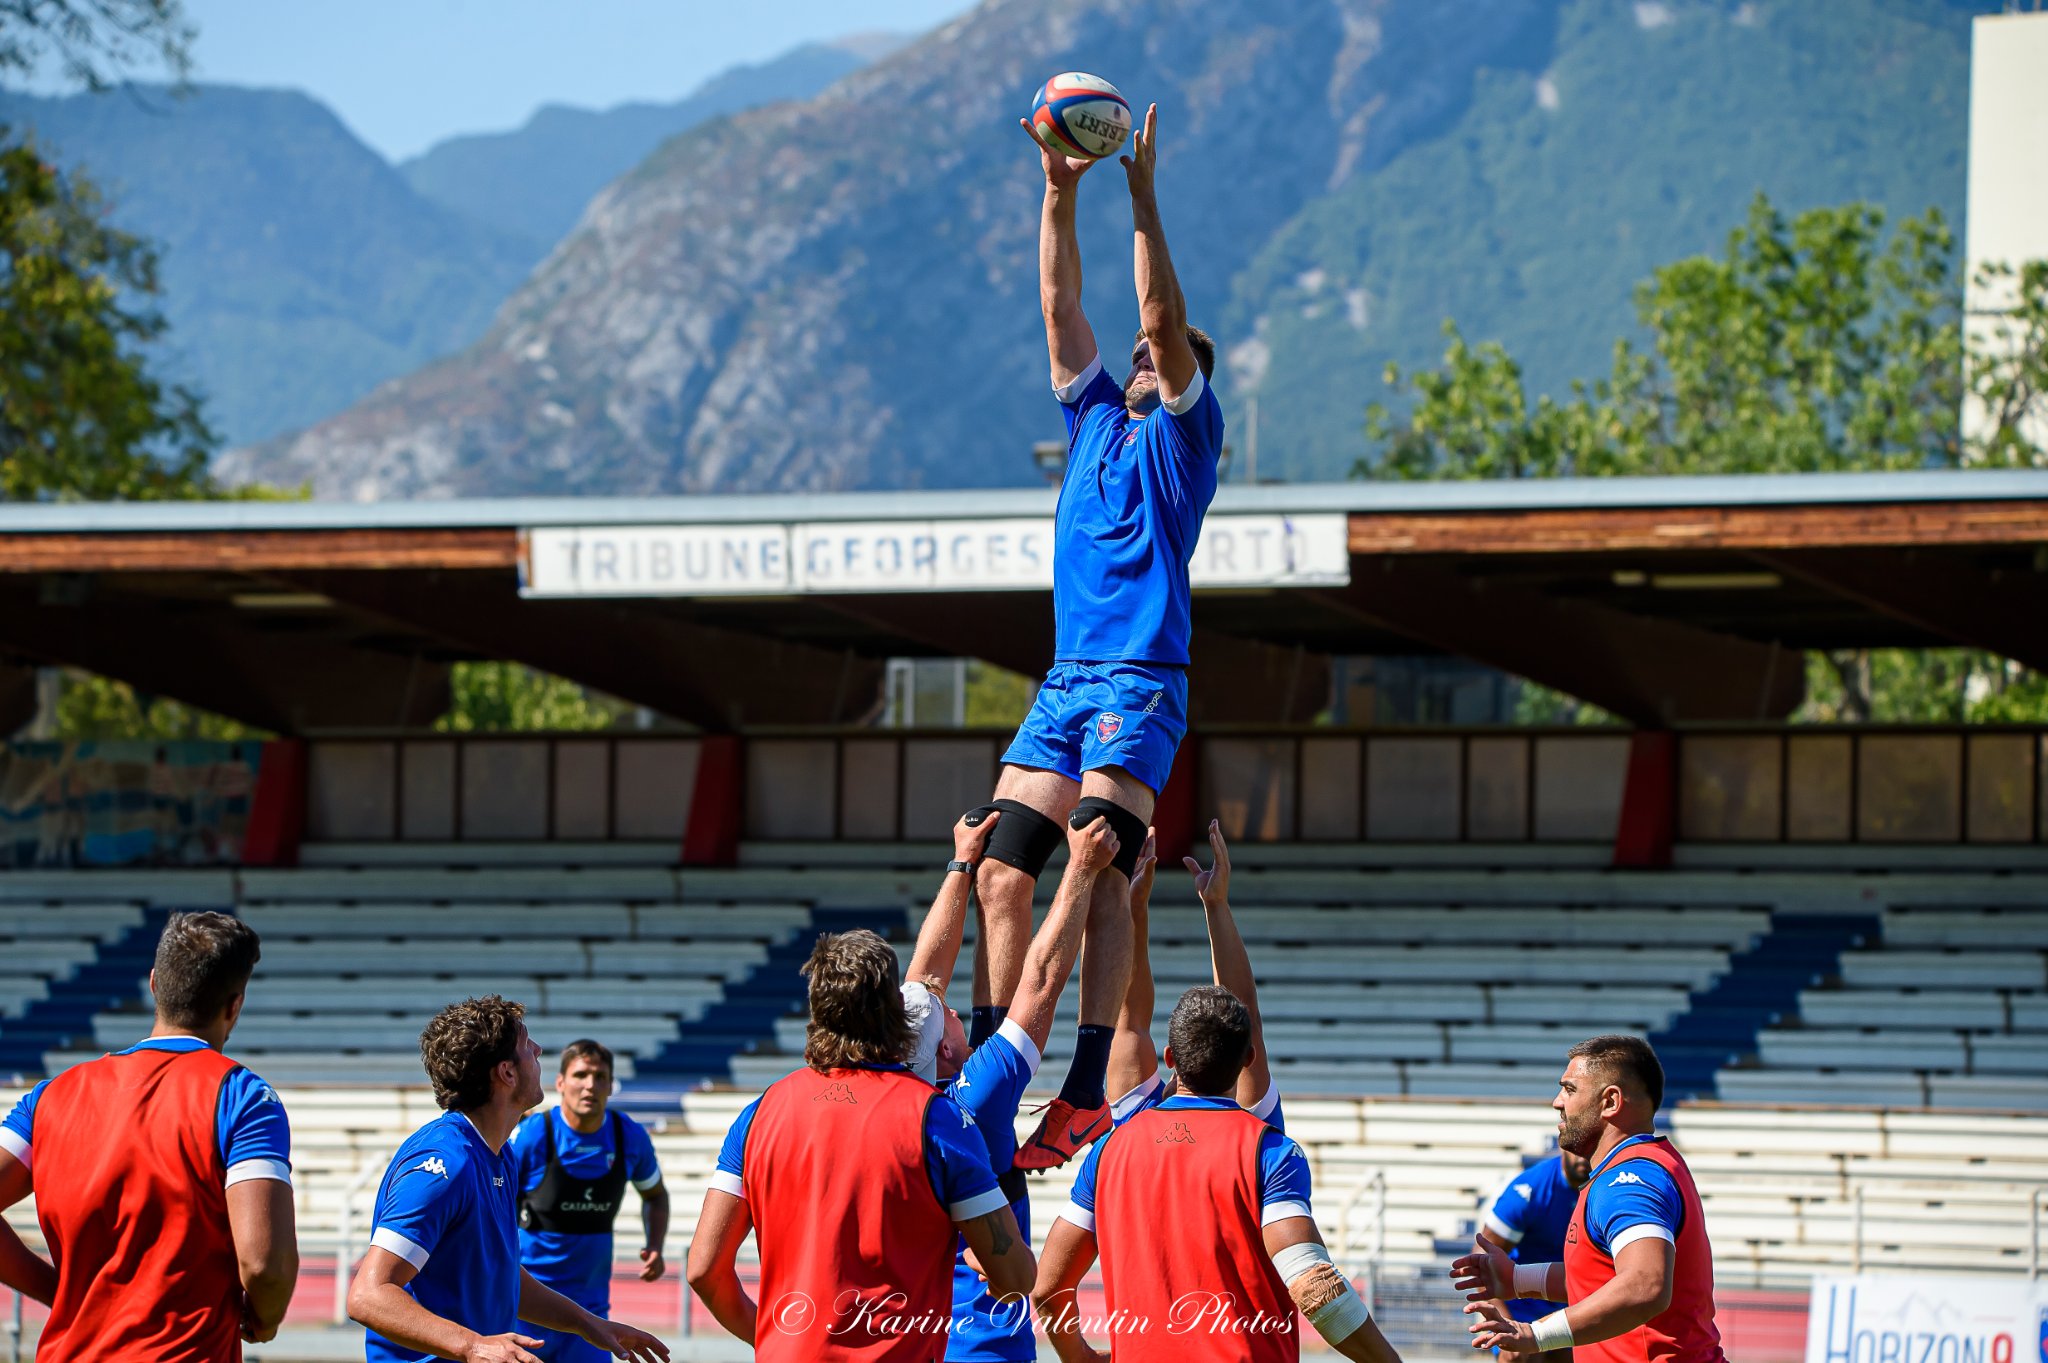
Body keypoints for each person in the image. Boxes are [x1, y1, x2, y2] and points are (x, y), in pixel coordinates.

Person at [967, 98, 1226, 1169]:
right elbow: (1055, 302)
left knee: (1103, 861)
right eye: (1133, 355)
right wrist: (1055, 191)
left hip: (1139, 678)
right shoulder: (1088, 420)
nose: (1137, 356)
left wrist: (1139, 192)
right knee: (994, 866)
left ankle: (1081, 1082)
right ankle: (985, 1060)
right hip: (1067, 677)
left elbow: (1160, 317)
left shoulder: (1182, 439)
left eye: (1154, 355)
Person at [685, 929, 1034, 1361]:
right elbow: (1015, 1276)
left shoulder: (760, 1113)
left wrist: (771, 1339)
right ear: (894, 1011)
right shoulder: (935, 1117)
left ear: (816, 1009)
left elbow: (703, 1269)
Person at [1033, 985, 1401, 1363]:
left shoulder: (1108, 1151)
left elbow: (1048, 1288)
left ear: (1170, 1058)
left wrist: (1080, 1357)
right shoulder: (1270, 1152)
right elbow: (1313, 1285)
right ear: (1248, 1059)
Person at [0, 911, 298, 1361]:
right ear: (234, 1005)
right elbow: (263, 1265)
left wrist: (56, 1291)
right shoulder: (243, 1097)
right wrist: (264, 1318)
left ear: (155, 983)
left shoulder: (50, 1097)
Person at [897, 808, 1122, 1362]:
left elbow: (921, 981)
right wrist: (1081, 870)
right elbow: (1042, 978)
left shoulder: (890, 1081)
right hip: (985, 1349)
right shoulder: (975, 1096)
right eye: (948, 1015)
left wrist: (961, 864)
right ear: (947, 1052)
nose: (951, 1006)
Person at [349, 996, 667, 1363]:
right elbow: (369, 1295)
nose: (538, 1050)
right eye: (527, 1045)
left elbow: (501, 1275)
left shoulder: (500, 1155)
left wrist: (587, 1324)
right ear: (507, 1073)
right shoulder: (445, 1164)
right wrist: (473, 1345)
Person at [1453, 1036, 1727, 1363]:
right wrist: (1516, 1279)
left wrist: (1535, 1335)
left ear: (1610, 1101)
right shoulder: (1637, 1169)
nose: (1557, 1102)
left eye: (1569, 1090)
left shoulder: (1628, 1181)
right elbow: (1600, 1280)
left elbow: (1645, 1286)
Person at [1107, 819, 1284, 1134]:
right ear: (1248, 1057)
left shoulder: (1132, 1125)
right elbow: (1249, 1017)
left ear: (1170, 1057)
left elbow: (1128, 1020)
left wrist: (1134, 905)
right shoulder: (1255, 1133)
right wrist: (1216, 905)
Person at [509, 1039, 669, 1362]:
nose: (589, 1085)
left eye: (600, 1077)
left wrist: (655, 1245)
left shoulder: (629, 1137)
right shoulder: (532, 1135)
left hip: (591, 1319)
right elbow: (496, 1200)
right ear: (560, 1083)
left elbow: (655, 1195)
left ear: (611, 1086)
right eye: (580, 1075)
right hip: (524, 1310)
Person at [1476, 1148, 1594, 1363]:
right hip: (1521, 1309)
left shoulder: (1608, 1188)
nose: (1582, 1158)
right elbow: (1482, 1259)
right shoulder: (1529, 1191)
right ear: (1562, 1146)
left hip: (1572, 1304)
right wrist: (1504, 1323)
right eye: (1576, 1150)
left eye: (1588, 1149)